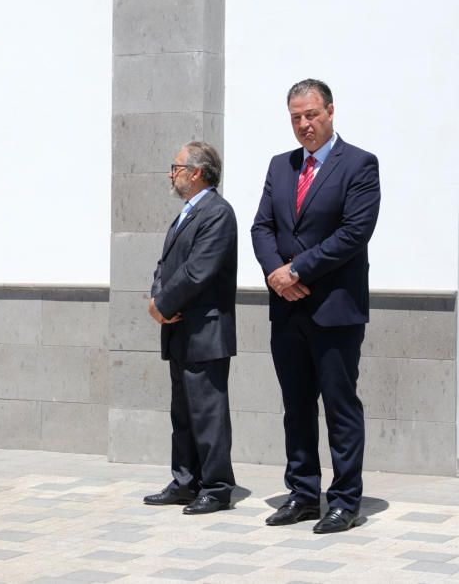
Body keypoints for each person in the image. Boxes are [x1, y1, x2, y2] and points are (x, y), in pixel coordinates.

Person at [250, 79, 380, 534]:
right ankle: (304, 494)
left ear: (330, 111)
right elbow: (261, 227)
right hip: (287, 310)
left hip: (335, 310)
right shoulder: (280, 166)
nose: (303, 125)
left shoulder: (360, 165)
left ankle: (344, 500)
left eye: (311, 115)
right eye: (295, 118)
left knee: (340, 407)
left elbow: (353, 234)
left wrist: (297, 271)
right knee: (296, 406)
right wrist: (275, 275)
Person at [144, 141, 237, 515]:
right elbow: (166, 265)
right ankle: (185, 481)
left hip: (205, 331)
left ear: (196, 172)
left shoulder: (218, 213)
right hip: (179, 328)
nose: (172, 174)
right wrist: (157, 299)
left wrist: (162, 304)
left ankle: (216, 487)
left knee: (207, 413)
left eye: (177, 167)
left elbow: (198, 270)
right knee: (182, 412)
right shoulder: (186, 213)